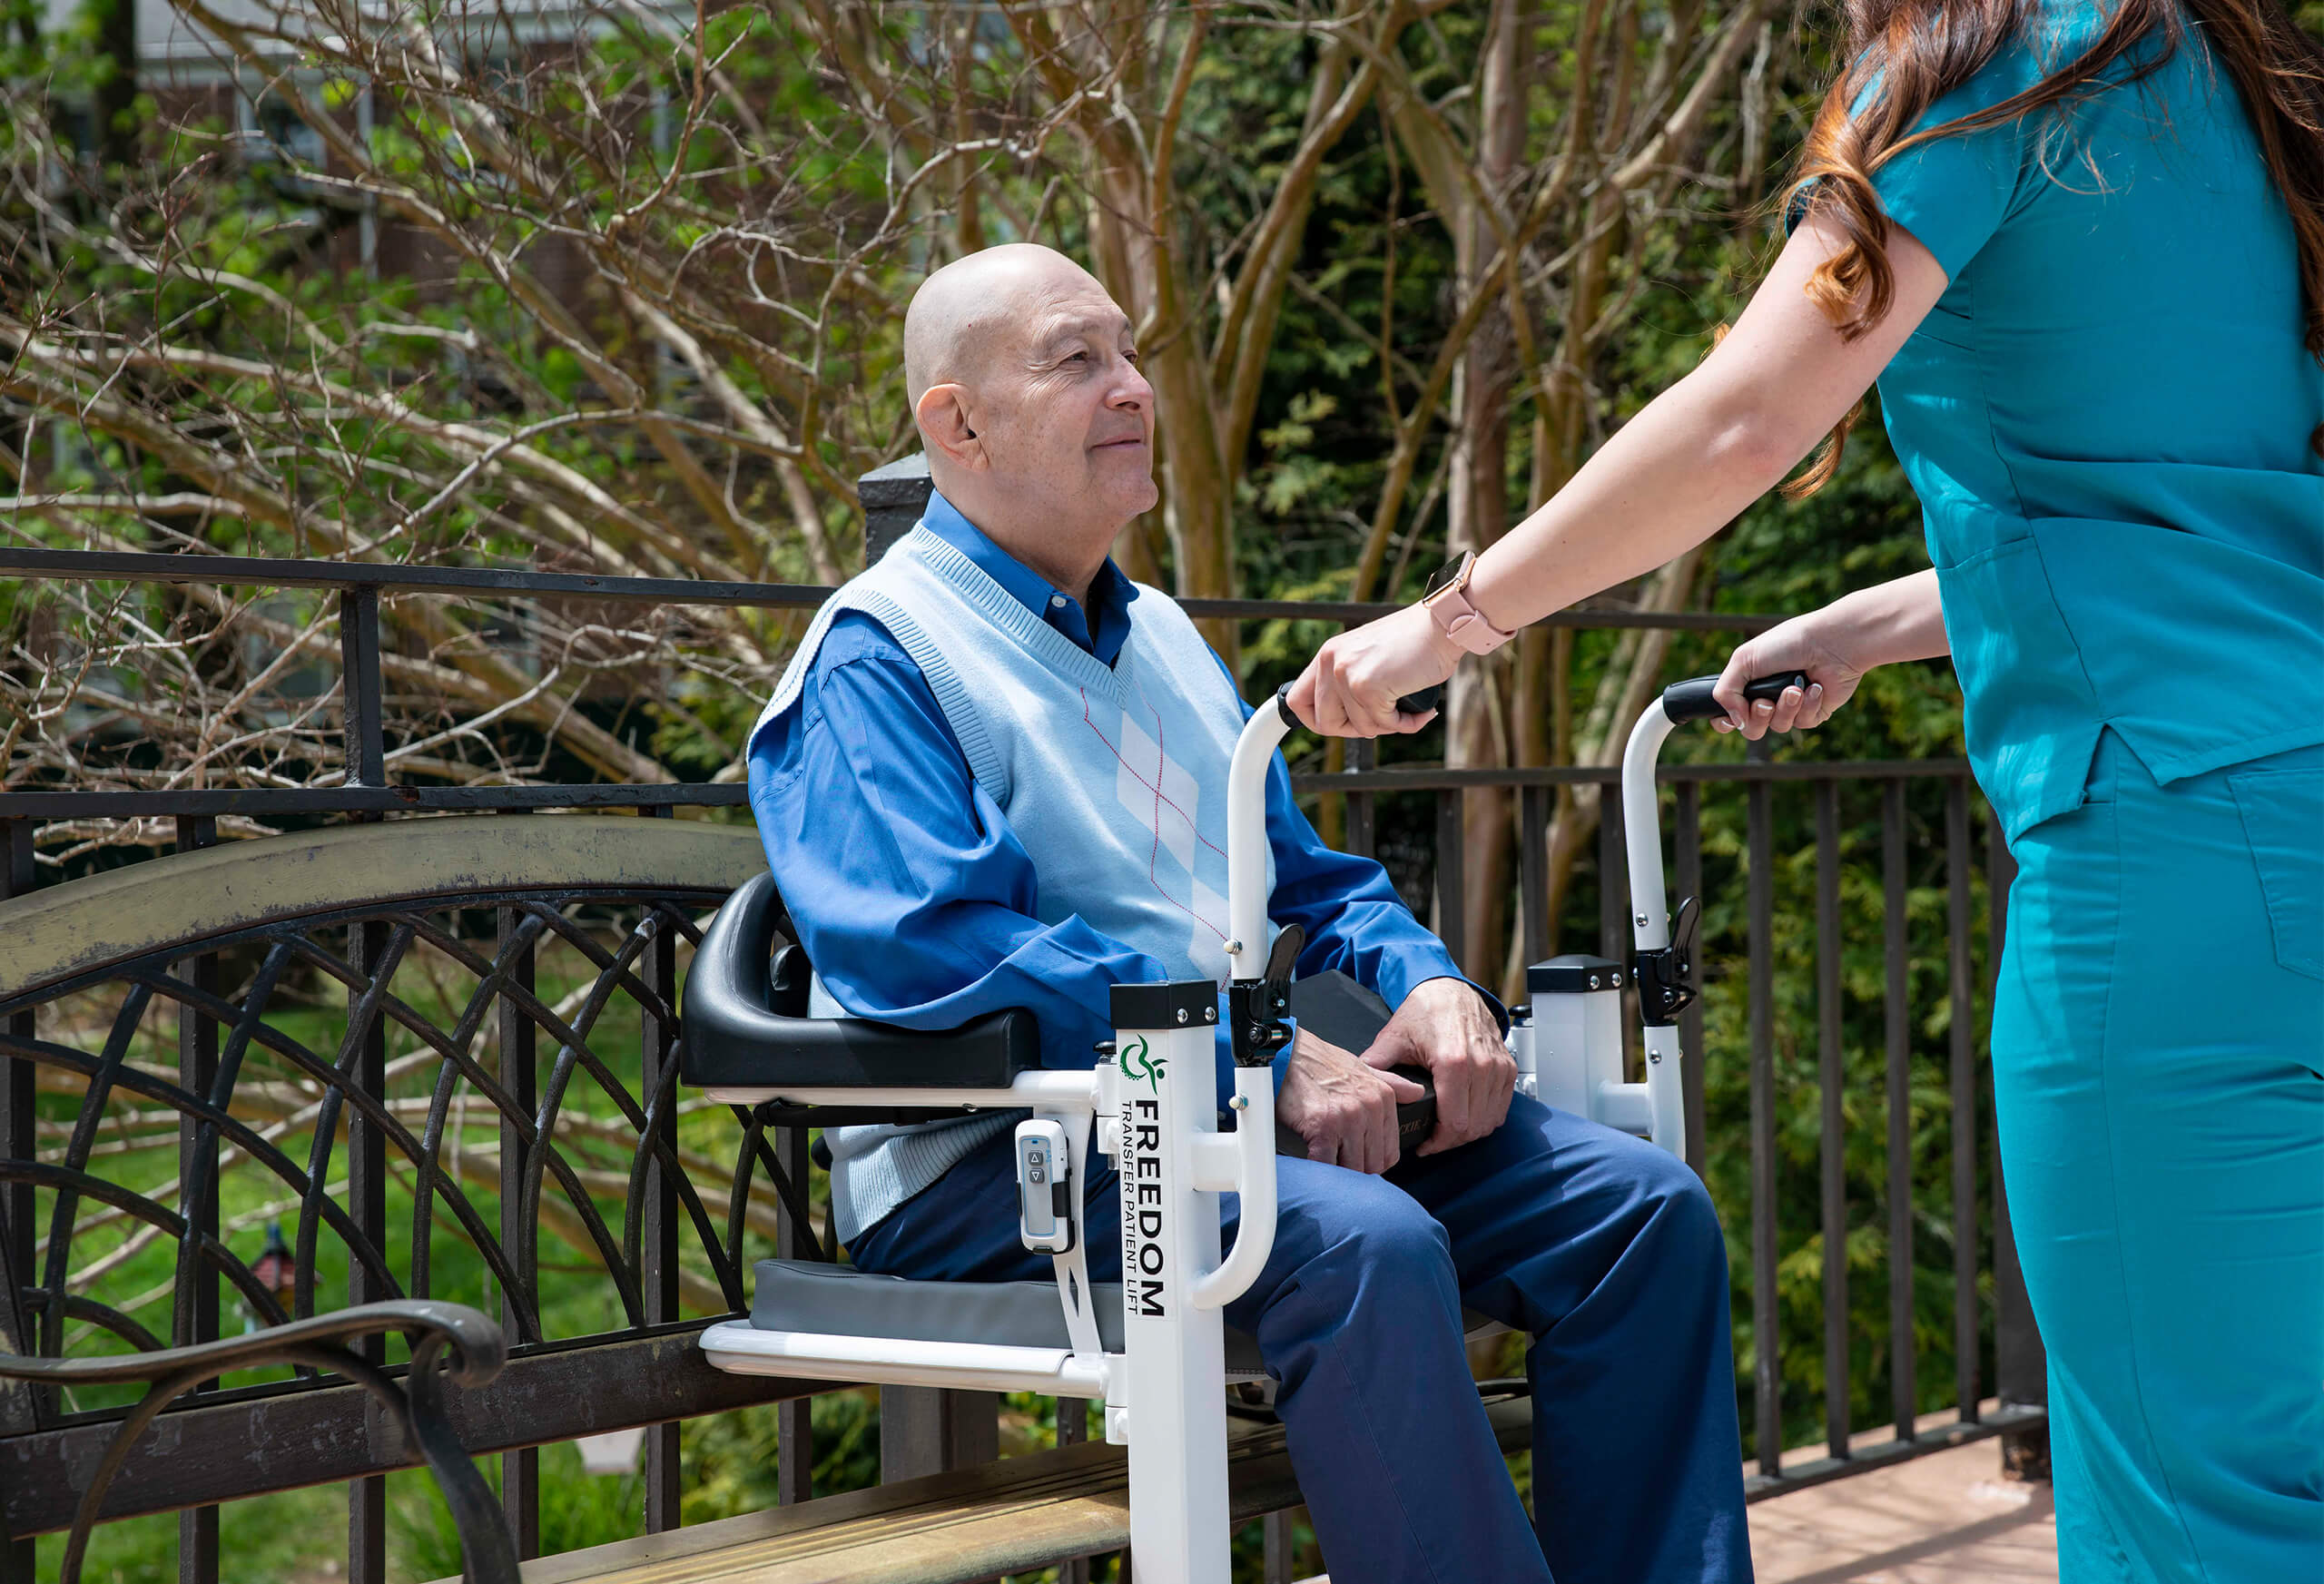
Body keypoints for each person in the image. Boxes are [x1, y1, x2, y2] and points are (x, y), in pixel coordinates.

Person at [1289, 2, 2324, 1579]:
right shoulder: (2223, 85)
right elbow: (2189, 507)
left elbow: (1748, 414)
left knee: (2200, 1501)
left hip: (2162, 859)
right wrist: (1881, 620)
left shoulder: (1982, 65)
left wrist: (1449, 625)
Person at [746, 242, 1754, 1583]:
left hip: (1207, 1119)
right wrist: (1257, 1059)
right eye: (1076, 358)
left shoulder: (1159, 629)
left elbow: (1306, 878)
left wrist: (1426, 985)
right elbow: (934, 949)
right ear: (956, 423)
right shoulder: (876, 655)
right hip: (1001, 1162)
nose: (1132, 387)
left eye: (1129, 351)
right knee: (1369, 1244)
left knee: (1640, 1211)